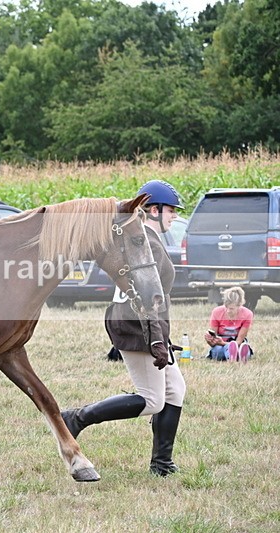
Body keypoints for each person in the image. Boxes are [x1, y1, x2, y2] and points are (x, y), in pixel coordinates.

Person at [62, 180, 186, 477]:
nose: (175, 216)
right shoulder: (146, 243)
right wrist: (157, 339)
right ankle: (76, 418)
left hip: (147, 326)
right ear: (153, 210)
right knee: (152, 400)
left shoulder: (148, 240)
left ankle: (161, 464)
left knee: (174, 390)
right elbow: (147, 301)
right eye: (171, 211)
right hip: (138, 327)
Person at [205, 286, 253, 362]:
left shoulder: (247, 314)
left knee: (240, 347)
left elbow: (239, 341)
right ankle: (235, 356)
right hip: (219, 346)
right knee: (218, 351)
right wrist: (209, 340)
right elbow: (213, 342)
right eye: (226, 307)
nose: (227, 311)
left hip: (237, 344)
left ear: (239, 306)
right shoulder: (216, 312)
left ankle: (234, 354)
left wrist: (226, 344)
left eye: (231, 308)